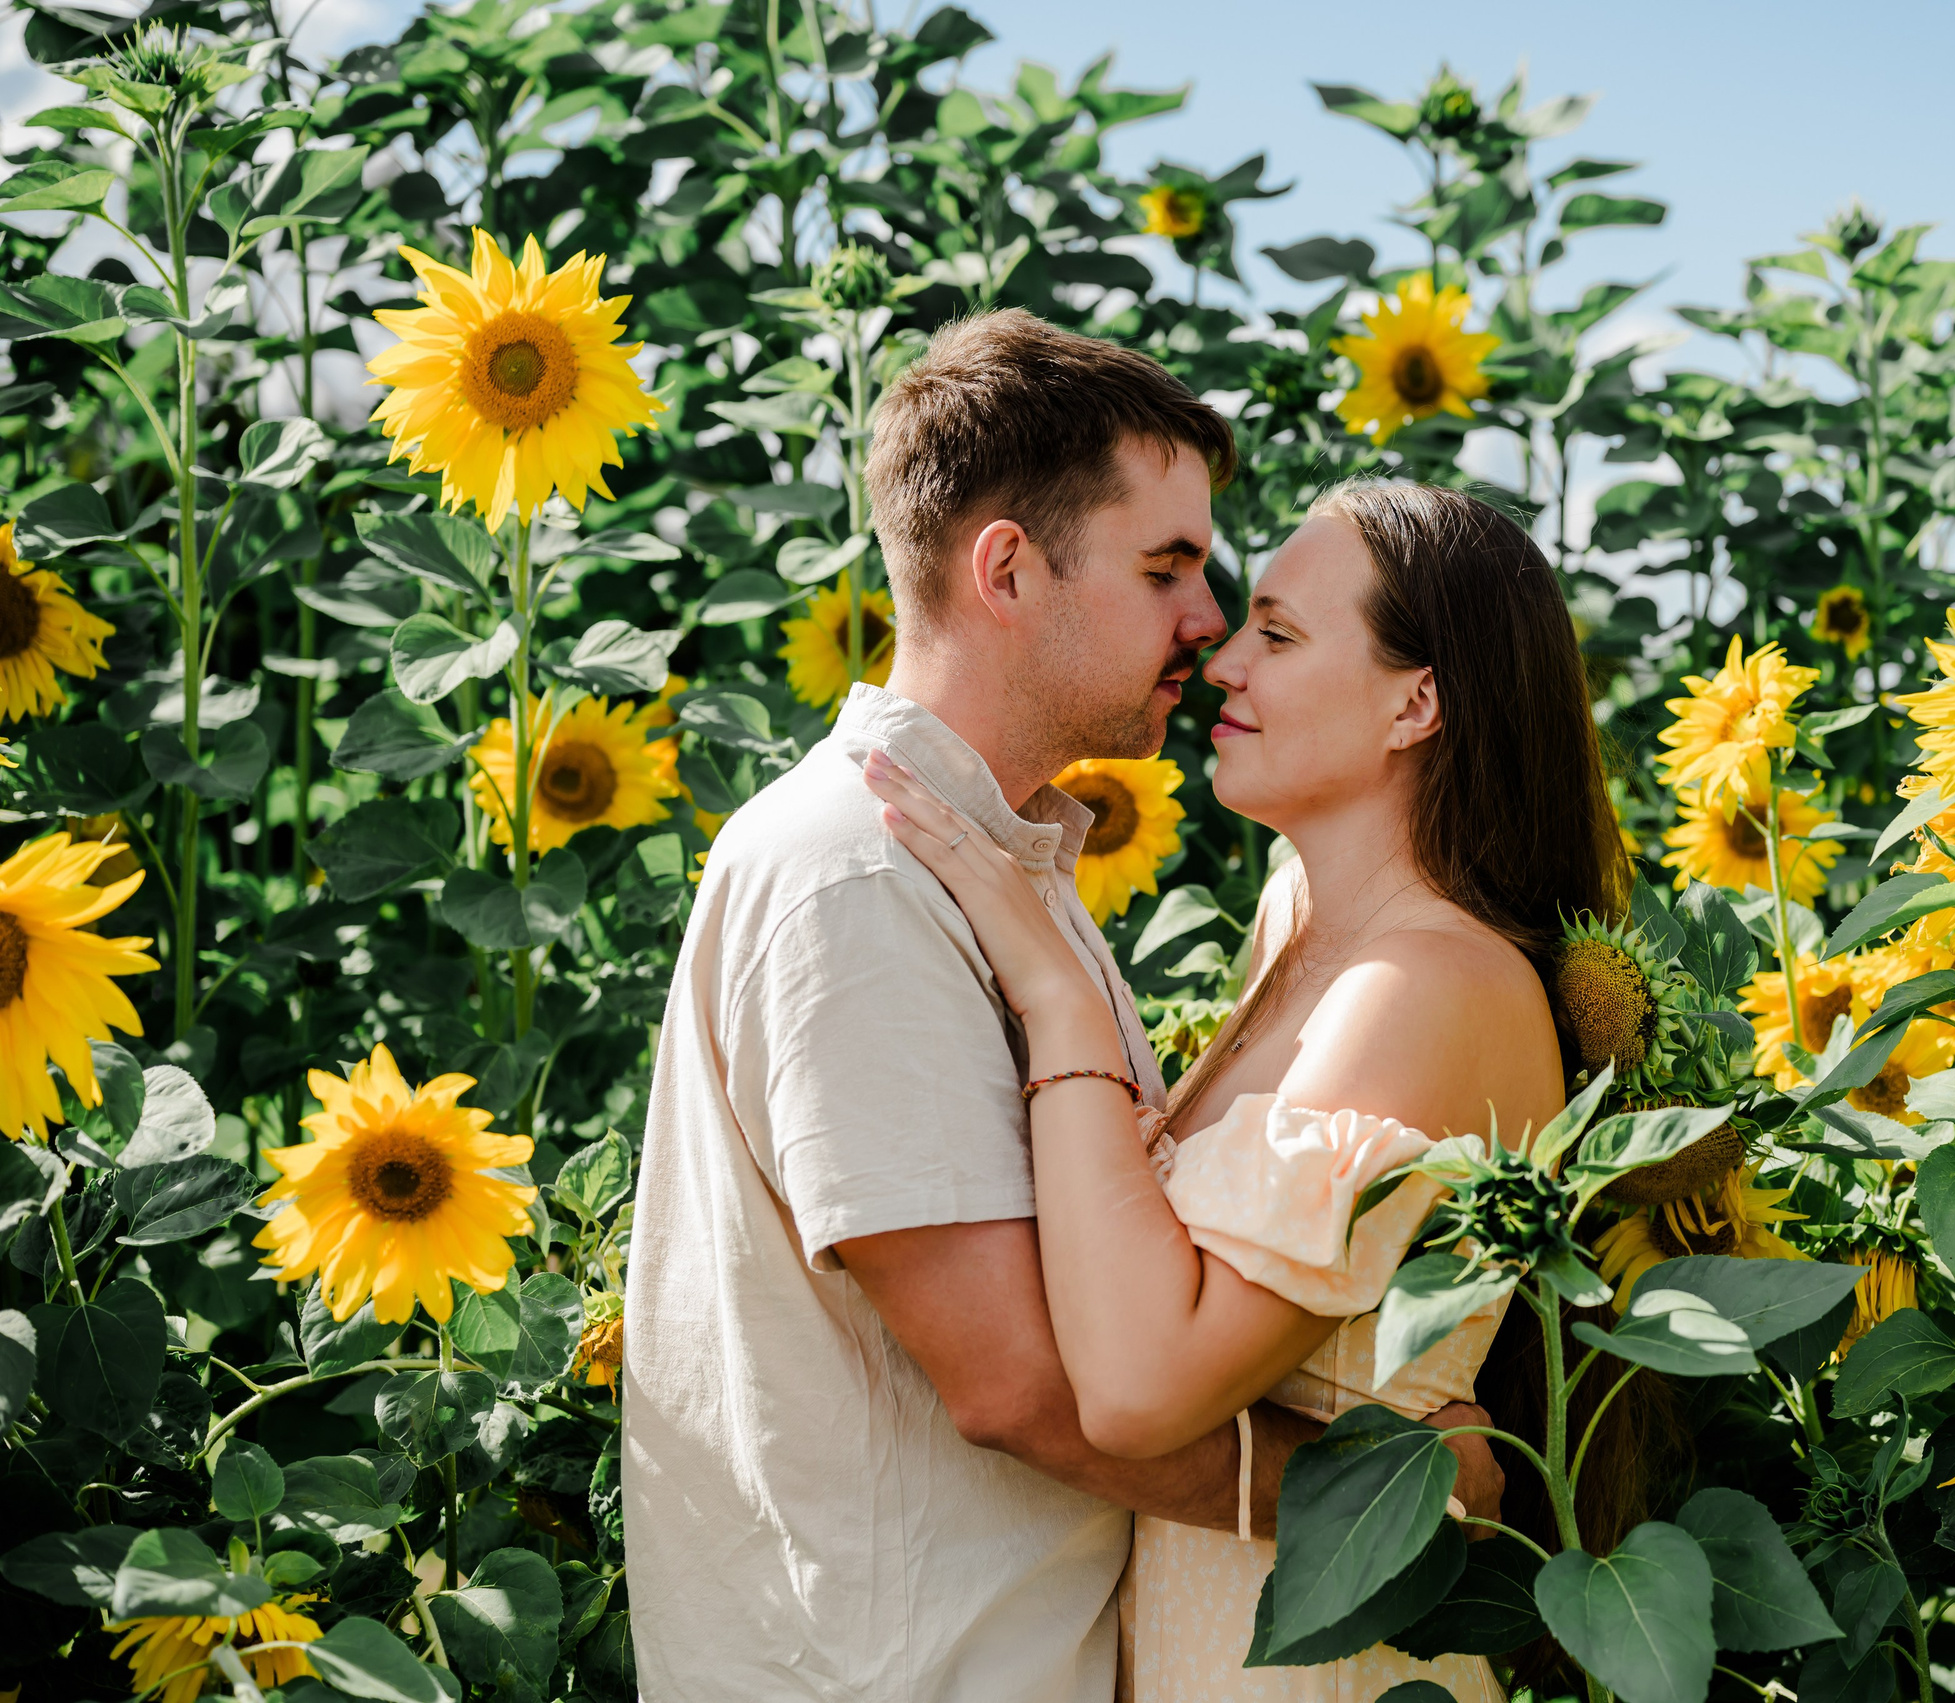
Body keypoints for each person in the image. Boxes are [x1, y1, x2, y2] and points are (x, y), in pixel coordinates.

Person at [623, 312, 1500, 1703]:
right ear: (1008, 569)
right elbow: (1021, 1387)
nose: (1206, 622)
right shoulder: (857, 874)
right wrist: (1405, 1491)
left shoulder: (995, 865)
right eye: (1167, 569)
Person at [860, 479, 1628, 1700]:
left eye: (1277, 633)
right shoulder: (1298, 924)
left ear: (1416, 700)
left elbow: (1134, 1388)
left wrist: (1056, 998)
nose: (1222, 661)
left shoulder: (1423, 985)